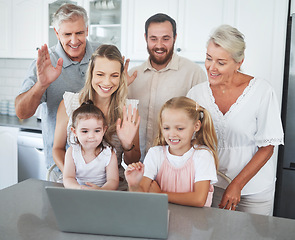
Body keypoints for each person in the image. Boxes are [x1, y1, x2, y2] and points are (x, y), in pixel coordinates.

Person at [187, 25, 284, 215]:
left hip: (253, 191)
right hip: (210, 186)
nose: (211, 68)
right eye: (208, 58)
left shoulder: (262, 91)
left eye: (221, 62)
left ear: (239, 62)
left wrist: (236, 185)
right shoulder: (196, 94)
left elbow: (267, 147)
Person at [14, 4, 100, 176]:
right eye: (67, 34)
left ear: (87, 30)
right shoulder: (45, 61)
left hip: (99, 165)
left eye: (79, 33)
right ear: (56, 33)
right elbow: (22, 113)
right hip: (59, 167)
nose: (74, 41)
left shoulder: (101, 54)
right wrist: (42, 84)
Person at [53, 44, 141, 190]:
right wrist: (73, 178)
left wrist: (126, 145)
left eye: (114, 76)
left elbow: (133, 160)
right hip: (74, 185)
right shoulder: (69, 104)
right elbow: (57, 149)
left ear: (121, 77)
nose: (107, 82)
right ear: (91, 73)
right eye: (100, 74)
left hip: (113, 186)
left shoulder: (129, 110)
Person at [127, 13, 207, 161]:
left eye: (165, 38)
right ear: (145, 38)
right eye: (153, 39)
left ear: (175, 38)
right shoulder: (132, 76)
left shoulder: (194, 73)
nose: (159, 45)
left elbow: (203, 125)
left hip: (178, 164)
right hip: (138, 165)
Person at [125, 97, 218, 207]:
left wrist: (160, 194)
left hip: (194, 222)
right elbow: (142, 195)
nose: (172, 134)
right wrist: (134, 185)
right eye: (166, 128)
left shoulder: (203, 155)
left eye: (180, 129)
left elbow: (199, 199)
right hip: (161, 219)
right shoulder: (155, 154)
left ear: (196, 126)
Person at [63, 100, 119, 190]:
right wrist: (79, 188)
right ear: (74, 132)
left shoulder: (109, 153)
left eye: (97, 131)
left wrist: (100, 191)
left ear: (104, 130)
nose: (91, 136)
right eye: (85, 131)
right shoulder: (72, 152)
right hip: (78, 192)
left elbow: (113, 181)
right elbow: (68, 178)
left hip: (102, 195)